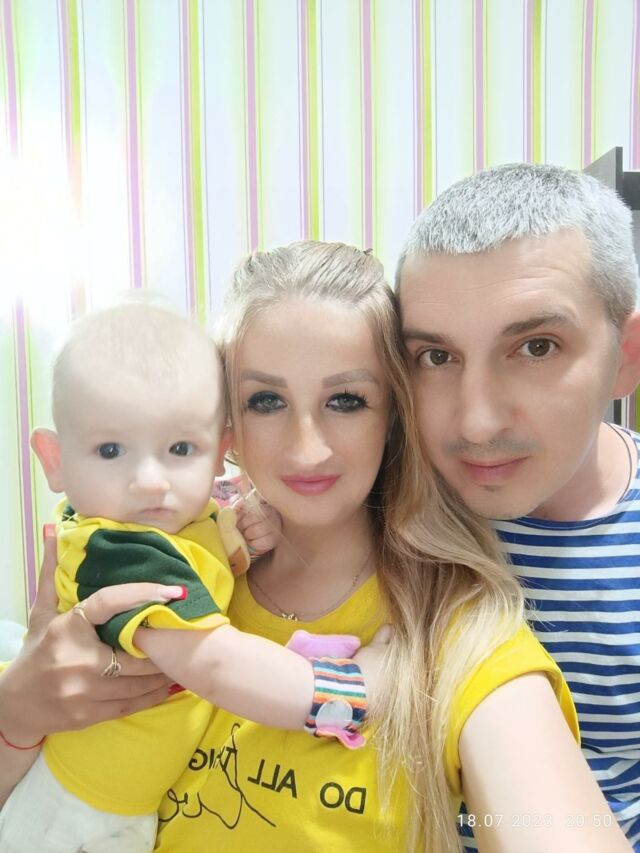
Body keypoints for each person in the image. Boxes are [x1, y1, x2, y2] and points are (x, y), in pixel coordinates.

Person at [0, 241, 630, 852]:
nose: (307, 449)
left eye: (346, 401)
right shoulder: (174, 557)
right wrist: (16, 716)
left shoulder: (449, 630)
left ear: (394, 413)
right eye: (267, 401)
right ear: (227, 425)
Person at [0, 302, 374, 853]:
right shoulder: (118, 551)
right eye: (110, 450)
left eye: (180, 449)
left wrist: (247, 536)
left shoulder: (186, 523)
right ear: (55, 461)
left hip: (130, 804)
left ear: (220, 452)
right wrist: (359, 688)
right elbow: (217, 665)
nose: (151, 481)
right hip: (73, 814)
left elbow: (209, 560)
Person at [396, 162, 640, 851]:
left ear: (625, 356)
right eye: (436, 357)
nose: (476, 422)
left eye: (535, 347)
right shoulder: (384, 511)